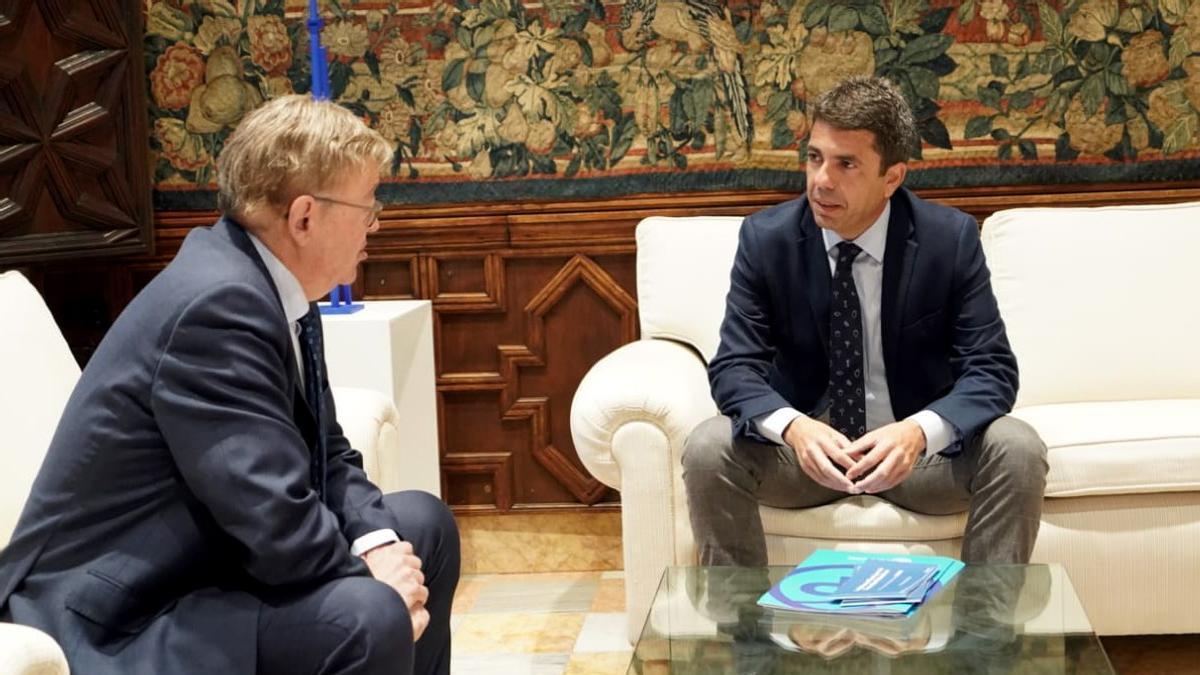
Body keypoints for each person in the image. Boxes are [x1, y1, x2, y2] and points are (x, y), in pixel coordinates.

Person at [0, 95, 459, 674]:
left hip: (208, 561)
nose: (374, 223)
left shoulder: (278, 286)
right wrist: (373, 580)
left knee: (421, 525)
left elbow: (329, 454)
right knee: (368, 613)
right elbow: (271, 514)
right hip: (124, 611)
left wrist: (378, 544)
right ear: (305, 217)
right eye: (367, 206)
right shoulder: (218, 306)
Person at [682, 76, 1048, 568]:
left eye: (846, 164)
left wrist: (919, 431)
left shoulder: (949, 239)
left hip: (918, 462)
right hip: (808, 459)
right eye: (814, 158)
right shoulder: (766, 240)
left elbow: (993, 372)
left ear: (892, 177)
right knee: (708, 446)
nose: (821, 181)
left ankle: (983, 636)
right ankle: (746, 640)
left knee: (1017, 446)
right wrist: (794, 429)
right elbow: (734, 369)